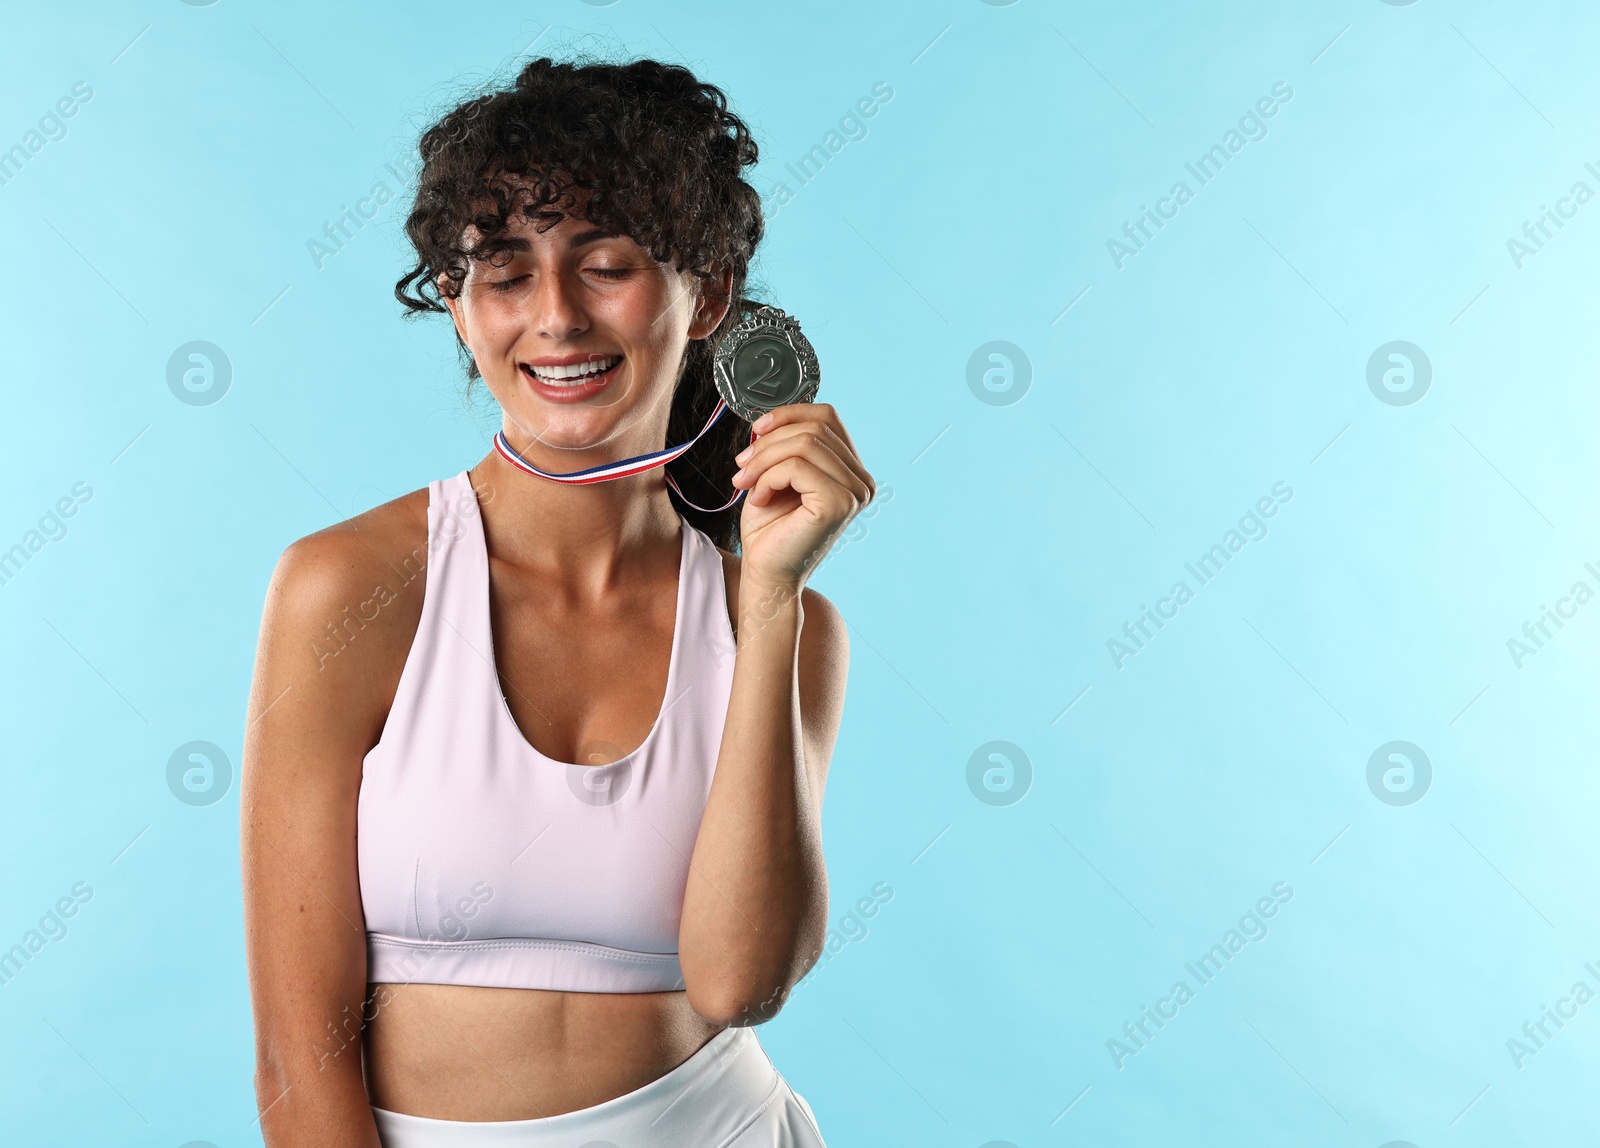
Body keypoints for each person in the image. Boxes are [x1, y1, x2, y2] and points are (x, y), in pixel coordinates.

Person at [240, 56, 874, 1146]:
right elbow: (298, 1052)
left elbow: (737, 979)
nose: (558, 319)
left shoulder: (787, 626)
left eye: (607, 264)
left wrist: (768, 598)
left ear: (706, 293)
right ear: (456, 306)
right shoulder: (348, 587)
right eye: (505, 273)